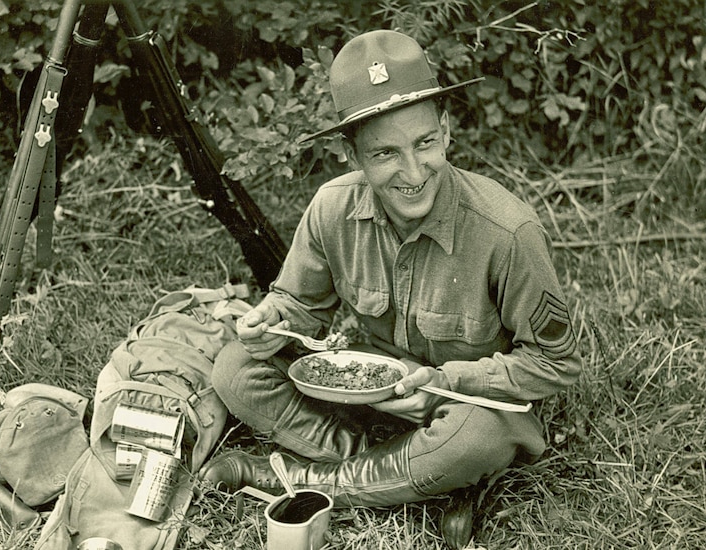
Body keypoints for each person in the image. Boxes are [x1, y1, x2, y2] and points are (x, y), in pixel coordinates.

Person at [200, 29, 582, 546]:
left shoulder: (507, 231)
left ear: (446, 131)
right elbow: (298, 307)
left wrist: (448, 379)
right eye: (384, 154)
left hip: (457, 398)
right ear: (351, 152)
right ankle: (413, 476)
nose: (412, 172)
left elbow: (554, 363)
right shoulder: (332, 208)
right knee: (235, 369)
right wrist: (272, 322)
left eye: (424, 143)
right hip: (368, 392)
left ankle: (282, 477)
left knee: (477, 438)